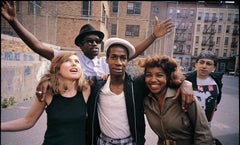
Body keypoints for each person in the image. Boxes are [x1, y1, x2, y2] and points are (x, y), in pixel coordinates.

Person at [86, 38, 195, 145]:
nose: (118, 62)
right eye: (114, 57)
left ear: (127, 61)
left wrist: (185, 83)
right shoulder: (96, 85)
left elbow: (161, 77)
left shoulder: (136, 85)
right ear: (106, 59)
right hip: (102, 144)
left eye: (123, 58)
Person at [1, 0, 175, 77]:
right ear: (81, 45)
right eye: (90, 41)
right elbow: (38, 46)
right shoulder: (72, 60)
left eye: (97, 41)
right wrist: (14, 21)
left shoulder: (104, 63)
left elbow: (132, 53)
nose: (95, 44)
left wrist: (153, 36)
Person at [1, 51, 91, 145]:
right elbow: (28, 121)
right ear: (57, 68)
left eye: (77, 62)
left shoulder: (86, 90)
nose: (74, 64)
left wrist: (106, 75)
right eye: (67, 61)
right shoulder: (47, 93)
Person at [142, 54, 213, 145]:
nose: (153, 79)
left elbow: (203, 134)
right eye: (148, 75)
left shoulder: (185, 97)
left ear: (168, 77)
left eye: (159, 75)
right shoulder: (147, 101)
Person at [185, 50, 223, 127]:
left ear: (214, 67)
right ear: (196, 64)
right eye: (201, 62)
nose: (204, 66)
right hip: (186, 124)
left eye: (208, 64)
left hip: (206, 124)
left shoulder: (216, 81)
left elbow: (216, 100)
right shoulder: (185, 79)